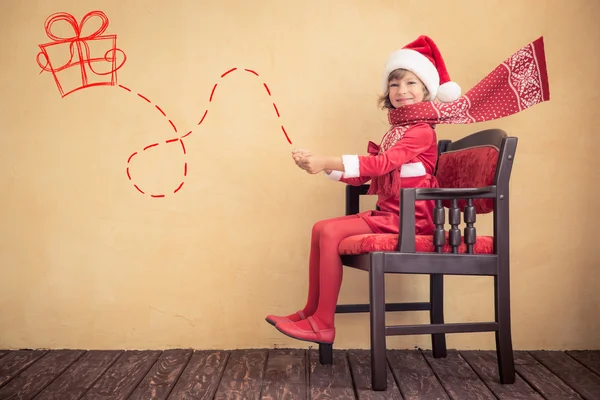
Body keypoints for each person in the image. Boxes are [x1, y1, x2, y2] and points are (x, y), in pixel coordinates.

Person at [266, 35, 463, 345]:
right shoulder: (397, 131)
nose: (402, 91)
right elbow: (368, 176)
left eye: (411, 83)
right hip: (392, 213)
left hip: (414, 220)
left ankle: (323, 324)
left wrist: (327, 160)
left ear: (426, 89)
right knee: (321, 229)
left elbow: (381, 164)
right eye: (395, 84)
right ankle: (311, 312)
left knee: (330, 234)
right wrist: (322, 167)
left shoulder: (421, 131)